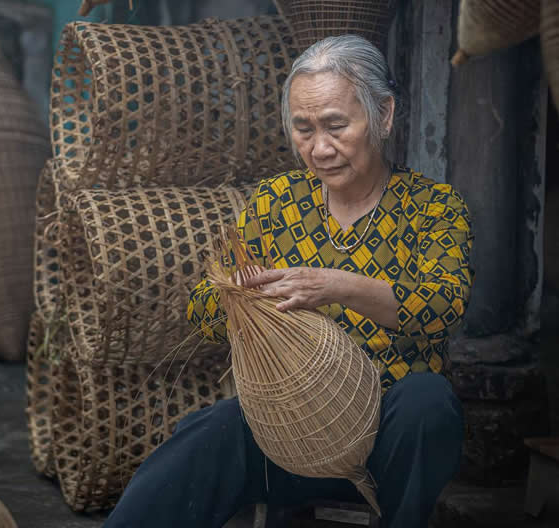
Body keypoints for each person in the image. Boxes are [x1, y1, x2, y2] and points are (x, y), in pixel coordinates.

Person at [102, 35, 473, 528]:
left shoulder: (433, 207)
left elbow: (444, 306)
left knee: (429, 402)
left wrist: (336, 286)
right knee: (209, 432)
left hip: (387, 443)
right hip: (287, 435)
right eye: (303, 129)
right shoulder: (276, 201)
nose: (320, 148)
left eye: (336, 126)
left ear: (382, 115)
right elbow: (202, 315)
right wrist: (236, 299)